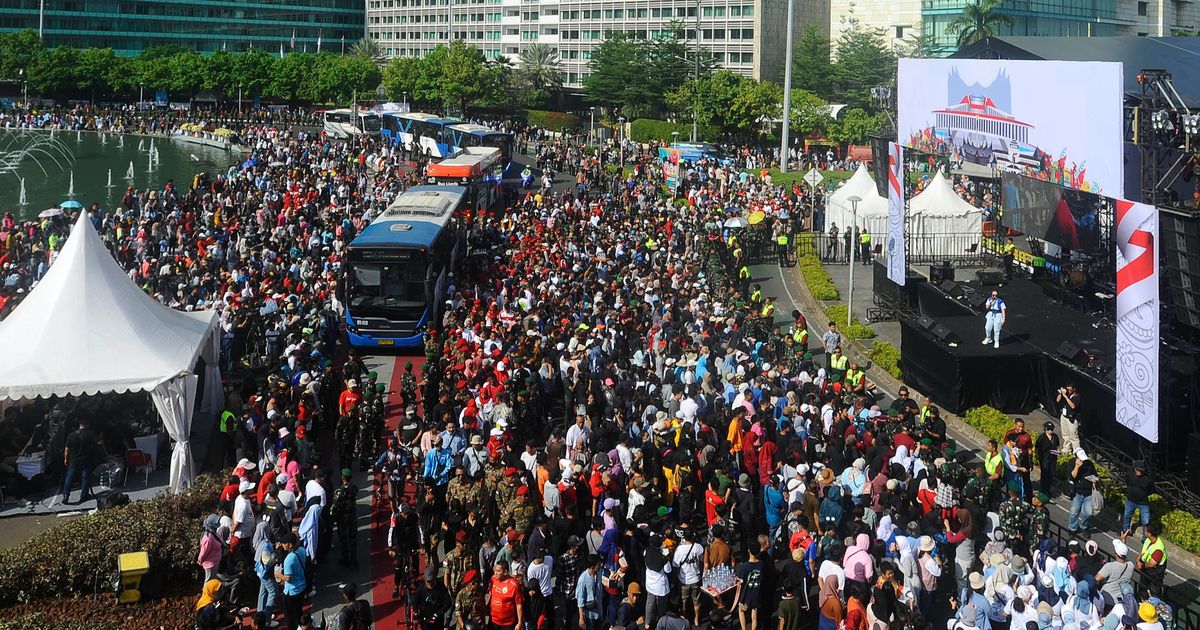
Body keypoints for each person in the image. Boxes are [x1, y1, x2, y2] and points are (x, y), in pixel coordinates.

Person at [61, 417, 102, 504]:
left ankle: (66, 495)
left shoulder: (71, 435)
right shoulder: (91, 433)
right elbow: (99, 443)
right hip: (86, 460)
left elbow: (67, 449)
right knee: (85, 478)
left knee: (69, 478)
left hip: (73, 460)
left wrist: (65, 459)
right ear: (88, 424)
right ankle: (84, 496)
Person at [276, 534, 308, 630]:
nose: (282, 545)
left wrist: (278, 575)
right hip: (302, 586)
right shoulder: (302, 550)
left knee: (290, 617)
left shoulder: (289, 559)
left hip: (292, 591)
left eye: (284, 543)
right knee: (298, 613)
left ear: (290, 545)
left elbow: (288, 578)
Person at [331, 468, 359, 567]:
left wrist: (333, 517)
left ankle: (345, 558)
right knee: (352, 538)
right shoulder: (354, 488)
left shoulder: (339, 491)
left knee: (343, 539)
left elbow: (334, 506)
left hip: (342, 518)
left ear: (342, 477)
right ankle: (354, 560)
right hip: (352, 516)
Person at [487, 559, 523, 630]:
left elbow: (519, 605)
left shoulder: (514, 585)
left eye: (498, 571)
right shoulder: (493, 579)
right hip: (493, 621)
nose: (495, 573)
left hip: (508, 624)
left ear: (505, 572)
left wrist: (519, 623)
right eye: (495, 570)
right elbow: (490, 594)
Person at [1122, 461, 1154, 541]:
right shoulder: (1130, 475)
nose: (1138, 472)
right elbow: (1127, 481)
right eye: (1137, 470)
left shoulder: (1148, 480)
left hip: (1143, 502)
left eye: (1140, 470)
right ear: (1135, 469)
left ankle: (1144, 538)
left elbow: (1152, 490)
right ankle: (1125, 530)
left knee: (1145, 520)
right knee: (1127, 515)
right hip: (1130, 500)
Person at [1067, 447, 1097, 534]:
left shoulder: (1089, 464)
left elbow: (1095, 474)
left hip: (1088, 493)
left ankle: (1084, 526)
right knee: (1074, 511)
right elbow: (1072, 476)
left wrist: (1094, 480)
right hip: (1078, 492)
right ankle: (1072, 528)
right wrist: (1077, 466)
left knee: (1088, 513)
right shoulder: (1071, 463)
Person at [1136, 524, 1167, 596]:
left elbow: (1151, 563)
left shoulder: (1158, 549)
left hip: (1154, 573)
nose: (1144, 532)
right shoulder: (1148, 540)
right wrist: (1138, 559)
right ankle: (1142, 598)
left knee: (1154, 591)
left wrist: (1142, 566)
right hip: (1146, 570)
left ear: (1149, 534)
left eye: (1145, 531)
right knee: (1142, 587)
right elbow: (1144, 550)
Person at [576, 554, 604, 630]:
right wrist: (581, 618)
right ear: (592, 566)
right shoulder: (583, 579)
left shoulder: (599, 573)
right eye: (598, 564)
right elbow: (580, 599)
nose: (600, 565)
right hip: (590, 615)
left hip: (599, 611)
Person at [1034, 422, 1060, 499]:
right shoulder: (1042, 437)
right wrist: (1037, 455)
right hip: (1044, 458)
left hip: (1053, 458)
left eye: (1051, 429)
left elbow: (1057, 446)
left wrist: (1058, 452)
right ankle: (1043, 490)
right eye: (1048, 429)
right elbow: (1037, 447)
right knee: (1045, 474)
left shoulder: (1055, 437)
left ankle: (1048, 489)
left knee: (1051, 474)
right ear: (1045, 429)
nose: (1050, 431)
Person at [1056, 384, 1082, 452]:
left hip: (1072, 418)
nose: (1068, 391)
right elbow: (1058, 400)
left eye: (1070, 390)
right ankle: (1067, 449)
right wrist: (1060, 394)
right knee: (1065, 434)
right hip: (1064, 416)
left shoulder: (1077, 396)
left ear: (1074, 389)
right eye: (1068, 389)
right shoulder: (1066, 393)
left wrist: (1065, 396)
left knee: (1073, 436)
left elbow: (1073, 406)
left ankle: (1077, 452)